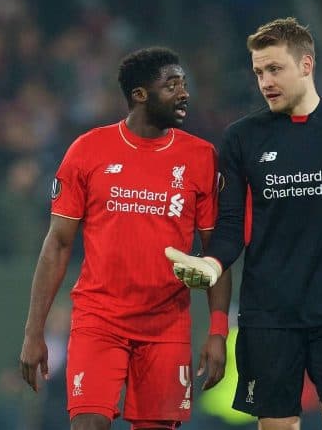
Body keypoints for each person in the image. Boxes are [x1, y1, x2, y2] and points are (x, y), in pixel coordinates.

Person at [165, 18, 322, 430]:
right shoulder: (241, 138)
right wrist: (211, 264)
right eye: (258, 72)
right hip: (269, 314)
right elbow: (230, 226)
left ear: (306, 64)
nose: (265, 81)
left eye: (274, 69)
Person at [19, 47, 231, 430]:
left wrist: (218, 332)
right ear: (140, 94)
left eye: (184, 84)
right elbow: (58, 244)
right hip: (99, 320)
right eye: (171, 85)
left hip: (167, 327)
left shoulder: (201, 157)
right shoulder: (88, 151)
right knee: (88, 423)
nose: (184, 93)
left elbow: (216, 252)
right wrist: (34, 333)